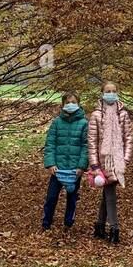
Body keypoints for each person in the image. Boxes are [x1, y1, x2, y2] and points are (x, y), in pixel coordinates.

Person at [88, 82, 133, 244]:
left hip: (118, 160)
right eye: (108, 91)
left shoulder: (123, 115)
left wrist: (125, 160)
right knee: (110, 194)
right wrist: (94, 165)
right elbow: (92, 142)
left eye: (114, 91)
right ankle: (114, 228)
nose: (111, 94)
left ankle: (100, 227)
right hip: (102, 161)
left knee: (108, 192)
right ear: (102, 93)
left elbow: (128, 139)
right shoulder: (96, 115)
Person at [42, 92, 87, 232]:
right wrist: (50, 164)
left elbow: (86, 146)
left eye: (73, 102)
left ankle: (68, 222)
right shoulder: (56, 123)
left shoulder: (84, 123)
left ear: (78, 104)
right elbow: (50, 144)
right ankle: (46, 222)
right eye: (67, 102)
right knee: (51, 197)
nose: (70, 105)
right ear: (62, 105)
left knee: (72, 197)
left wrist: (81, 166)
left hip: (74, 170)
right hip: (57, 169)